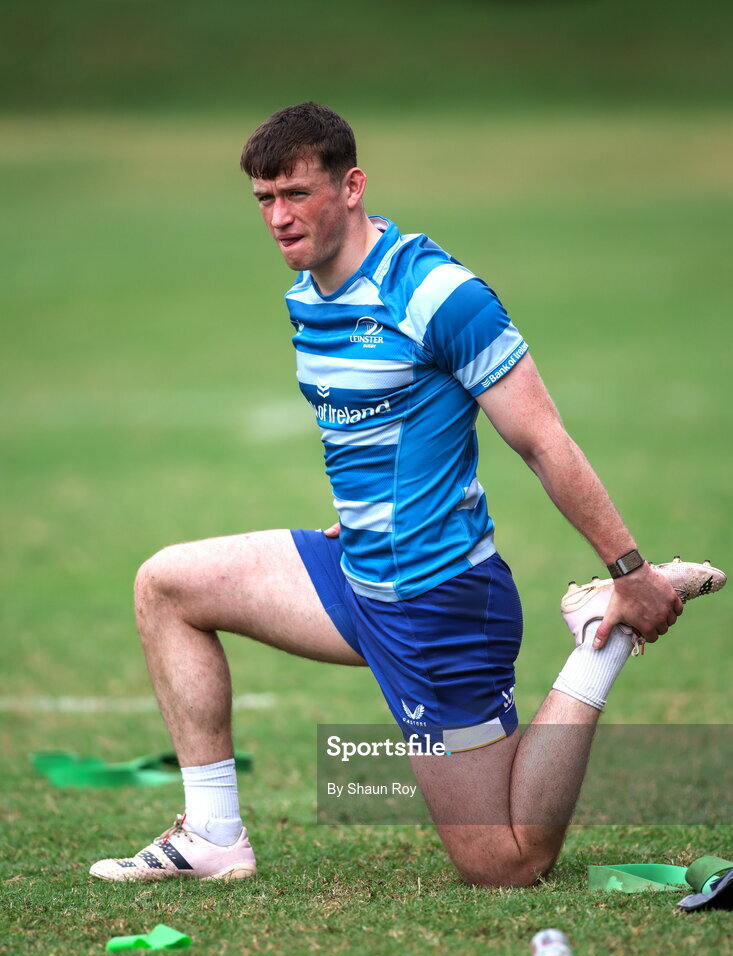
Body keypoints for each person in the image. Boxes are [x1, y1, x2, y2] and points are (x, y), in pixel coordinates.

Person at [90, 103, 725, 886]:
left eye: (296, 194)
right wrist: (363, 514)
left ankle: (605, 630)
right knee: (167, 585)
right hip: (356, 574)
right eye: (264, 200)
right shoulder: (309, 292)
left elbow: (542, 440)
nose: (279, 219)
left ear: (351, 186)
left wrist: (629, 569)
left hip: (438, 602)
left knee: (505, 863)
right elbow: (375, 424)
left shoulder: (439, 295)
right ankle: (214, 835)